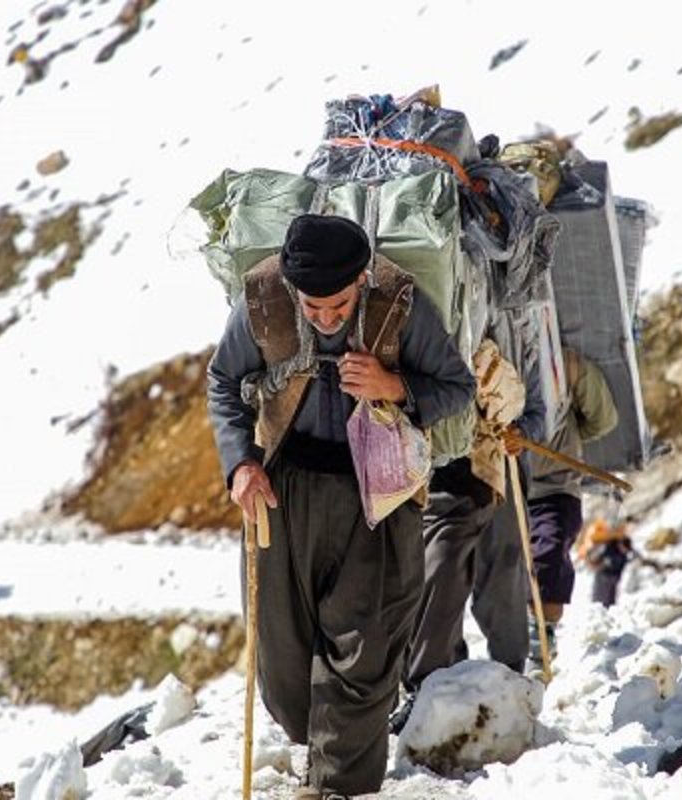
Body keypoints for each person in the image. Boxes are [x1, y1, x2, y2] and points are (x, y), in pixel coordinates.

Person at [206, 214, 475, 799]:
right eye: (313, 308)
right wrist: (240, 463)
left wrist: (395, 387)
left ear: (362, 281)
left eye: (340, 305)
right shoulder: (265, 298)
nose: (326, 318)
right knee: (283, 655)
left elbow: (459, 388)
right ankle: (322, 745)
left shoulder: (398, 301)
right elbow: (224, 382)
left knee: (363, 643)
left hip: (377, 493)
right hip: (286, 488)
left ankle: (335, 785)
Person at [398, 334, 542, 732]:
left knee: (503, 577)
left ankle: (510, 677)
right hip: (439, 479)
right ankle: (430, 686)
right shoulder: (426, 326)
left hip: (497, 474)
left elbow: (538, 409)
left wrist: (521, 431)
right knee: (439, 575)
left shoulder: (516, 331)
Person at [523, 348, 617, 670]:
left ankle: (542, 641)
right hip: (506, 490)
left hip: (554, 487)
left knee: (547, 553)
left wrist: (566, 436)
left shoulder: (568, 364)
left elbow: (602, 418)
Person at [587, 523, 636, 607]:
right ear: (621, 545)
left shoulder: (624, 554)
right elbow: (594, 558)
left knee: (611, 603)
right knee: (599, 602)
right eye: (624, 549)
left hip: (614, 578)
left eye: (626, 551)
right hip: (603, 577)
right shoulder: (607, 547)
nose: (625, 551)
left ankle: (607, 616)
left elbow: (625, 563)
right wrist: (601, 564)